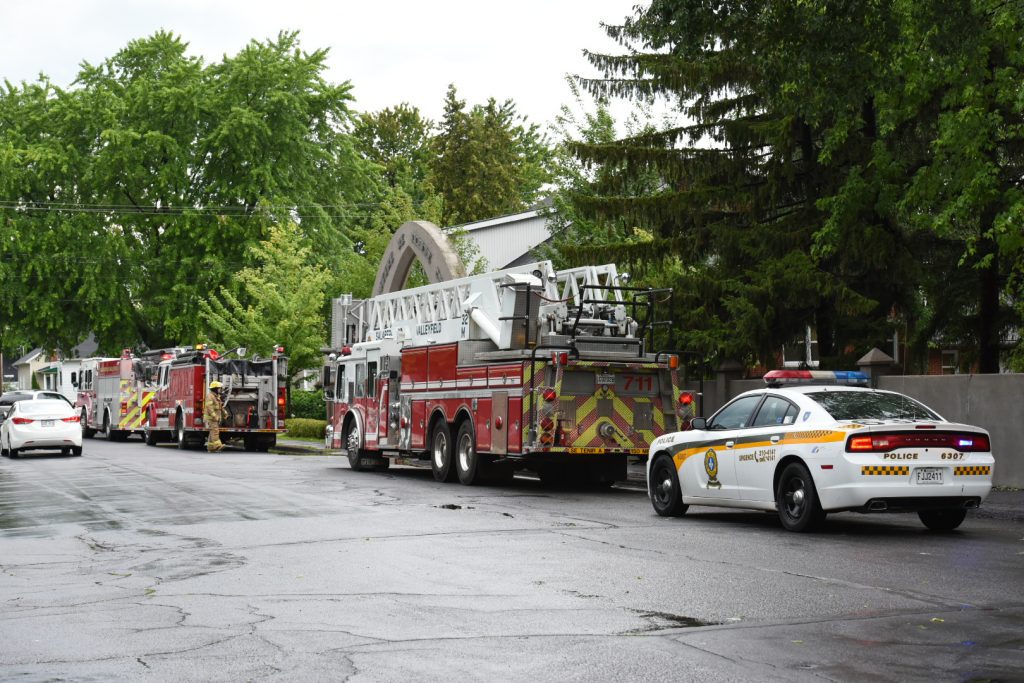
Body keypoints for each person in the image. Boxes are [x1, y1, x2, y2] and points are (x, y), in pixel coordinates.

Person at [205, 381, 227, 452]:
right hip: (212, 418)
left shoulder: (216, 396)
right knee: (215, 431)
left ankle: (211, 448)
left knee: (212, 431)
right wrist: (214, 416)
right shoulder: (210, 396)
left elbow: (220, 406)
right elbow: (209, 407)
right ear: (215, 389)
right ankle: (218, 446)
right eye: (219, 388)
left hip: (215, 417)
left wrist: (225, 413)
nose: (220, 390)